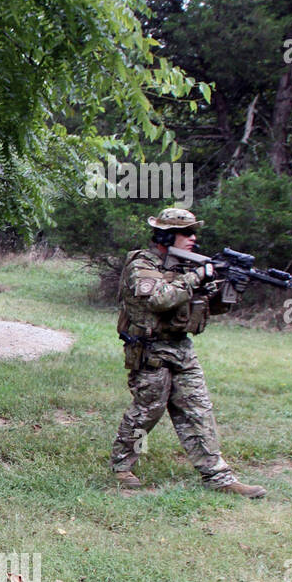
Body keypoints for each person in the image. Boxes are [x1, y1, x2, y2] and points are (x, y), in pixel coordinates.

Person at [110, 207, 265, 497]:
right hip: (149, 349)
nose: (193, 238)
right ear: (167, 235)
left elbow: (208, 307)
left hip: (181, 348)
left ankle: (217, 476)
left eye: (194, 232)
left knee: (198, 411)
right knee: (148, 410)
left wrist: (229, 290)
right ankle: (121, 464)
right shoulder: (143, 264)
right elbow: (158, 299)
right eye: (187, 232)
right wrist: (197, 277)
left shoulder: (185, 266)